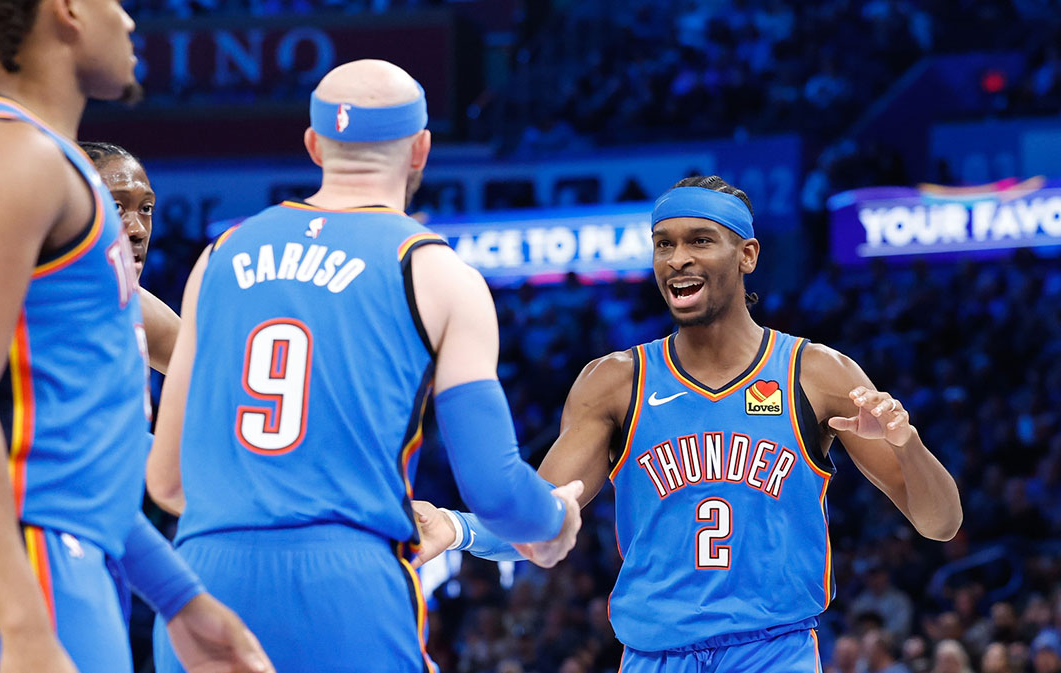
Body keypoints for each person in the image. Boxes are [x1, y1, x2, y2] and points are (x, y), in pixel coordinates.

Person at [0, 1, 269, 670]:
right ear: (68, 10)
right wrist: (22, 624)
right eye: (118, 3)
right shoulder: (5, 154)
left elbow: (75, 457)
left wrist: (180, 598)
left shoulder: (47, 166)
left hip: (38, 552)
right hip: (2, 569)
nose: (132, 23)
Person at [414, 176, 963, 671]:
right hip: (654, 655)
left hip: (773, 651)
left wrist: (907, 442)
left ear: (747, 254)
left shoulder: (816, 372)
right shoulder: (615, 381)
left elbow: (940, 523)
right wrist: (455, 527)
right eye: (664, 243)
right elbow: (542, 517)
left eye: (700, 240)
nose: (677, 257)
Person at [145, 58, 584, 673]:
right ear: (421, 150)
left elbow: (168, 482)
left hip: (203, 576)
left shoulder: (220, 256)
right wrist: (554, 518)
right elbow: (496, 493)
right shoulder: (436, 272)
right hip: (344, 584)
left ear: (315, 144)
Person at [80, 140, 180, 372]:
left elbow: (224, 379)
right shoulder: (15, 301)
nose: (138, 230)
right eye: (116, 207)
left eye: (146, 209)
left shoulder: (135, 308)